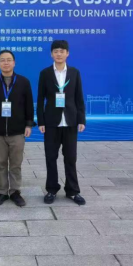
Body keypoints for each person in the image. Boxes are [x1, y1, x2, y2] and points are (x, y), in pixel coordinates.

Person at [37, 40, 87, 206]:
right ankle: (51, 189)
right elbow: (40, 98)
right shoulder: (45, 73)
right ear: (51, 54)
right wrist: (41, 121)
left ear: (67, 53)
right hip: (51, 122)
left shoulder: (74, 72)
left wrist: (81, 119)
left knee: (71, 158)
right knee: (51, 157)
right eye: (56, 51)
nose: (59, 54)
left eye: (62, 51)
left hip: (70, 121)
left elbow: (79, 97)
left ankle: (72, 191)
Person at [0, 50, 35, 207]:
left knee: (15, 164)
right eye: (2, 60)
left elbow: (29, 105)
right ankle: (2, 192)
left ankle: (15, 192)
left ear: (14, 63)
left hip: (17, 131)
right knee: (0, 163)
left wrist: (29, 124)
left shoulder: (24, 82)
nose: (6, 63)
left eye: (9, 60)